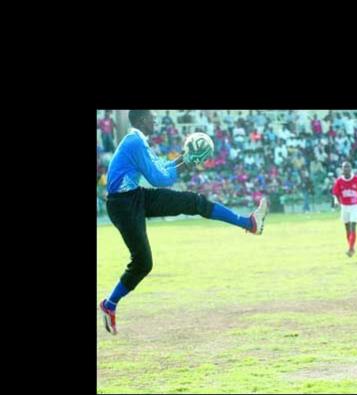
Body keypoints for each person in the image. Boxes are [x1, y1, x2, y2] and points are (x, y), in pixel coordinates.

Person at [98, 110, 268, 334]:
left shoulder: (137, 140)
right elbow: (159, 178)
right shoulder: (135, 141)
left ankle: (249, 223)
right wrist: (187, 162)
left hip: (132, 197)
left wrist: (183, 158)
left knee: (194, 202)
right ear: (141, 119)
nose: (155, 119)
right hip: (123, 205)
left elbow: (161, 167)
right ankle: (109, 304)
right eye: (151, 117)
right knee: (143, 263)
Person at [331, 161, 357, 257]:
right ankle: (351, 247)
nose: (346, 169)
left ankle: (350, 248)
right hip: (344, 207)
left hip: (355, 206)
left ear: (351, 169)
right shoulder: (339, 181)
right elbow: (335, 193)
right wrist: (336, 202)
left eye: (348, 167)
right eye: (344, 167)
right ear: (342, 169)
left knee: (353, 226)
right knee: (347, 229)